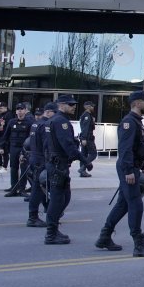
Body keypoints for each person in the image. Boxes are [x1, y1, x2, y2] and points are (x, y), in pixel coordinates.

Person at [95, 91, 144, 256]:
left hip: (133, 167)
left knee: (123, 204)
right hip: (127, 169)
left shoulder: (137, 122)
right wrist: (129, 171)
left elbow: (139, 148)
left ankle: (104, 237)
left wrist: (142, 166)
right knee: (136, 205)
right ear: (137, 103)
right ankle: (139, 244)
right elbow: (125, 150)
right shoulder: (129, 123)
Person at [43, 95, 83, 245]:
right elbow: (67, 144)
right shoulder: (61, 122)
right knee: (59, 199)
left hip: (56, 164)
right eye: (71, 104)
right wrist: (83, 159)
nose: (74, 107)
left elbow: (46, 144)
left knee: (64, 198)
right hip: (58, 165)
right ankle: (51, 233)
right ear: (61, 105)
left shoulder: (53, 121)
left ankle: (53, 229)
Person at [26, 102, 57, 228]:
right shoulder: (45, 125)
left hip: (34, 157)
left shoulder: (36, 123)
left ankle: (48, 210)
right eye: (55, 113)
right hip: (41, 160)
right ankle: (33, 217)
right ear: (48, 112)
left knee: (40, 188)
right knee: (38, 189)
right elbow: (47, 145)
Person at [3, 103, 34, 196]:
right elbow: (6, 134)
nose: (20, 111)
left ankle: (22, 189)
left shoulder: (29, 122)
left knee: (24, 169)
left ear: (25, 110)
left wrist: (27, 150)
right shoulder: (12, 121)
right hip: (13, 148)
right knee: (13, 168)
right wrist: (2, 147)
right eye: (18, 109)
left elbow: (30, 138)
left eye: (21, 109)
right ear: (16, 111)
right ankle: (13, 188)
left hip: (24, 149)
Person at [78, 101, 96, 177]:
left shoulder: (87, 115)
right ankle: (82, 169)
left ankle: (82, 172)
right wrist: (84, 138)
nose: (93, 108)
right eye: (92, 106)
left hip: (85, 137)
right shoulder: (87, 116)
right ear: (88, 107)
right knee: (93, 154)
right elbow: (85, 128)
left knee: (84, 155)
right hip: (87, 138)